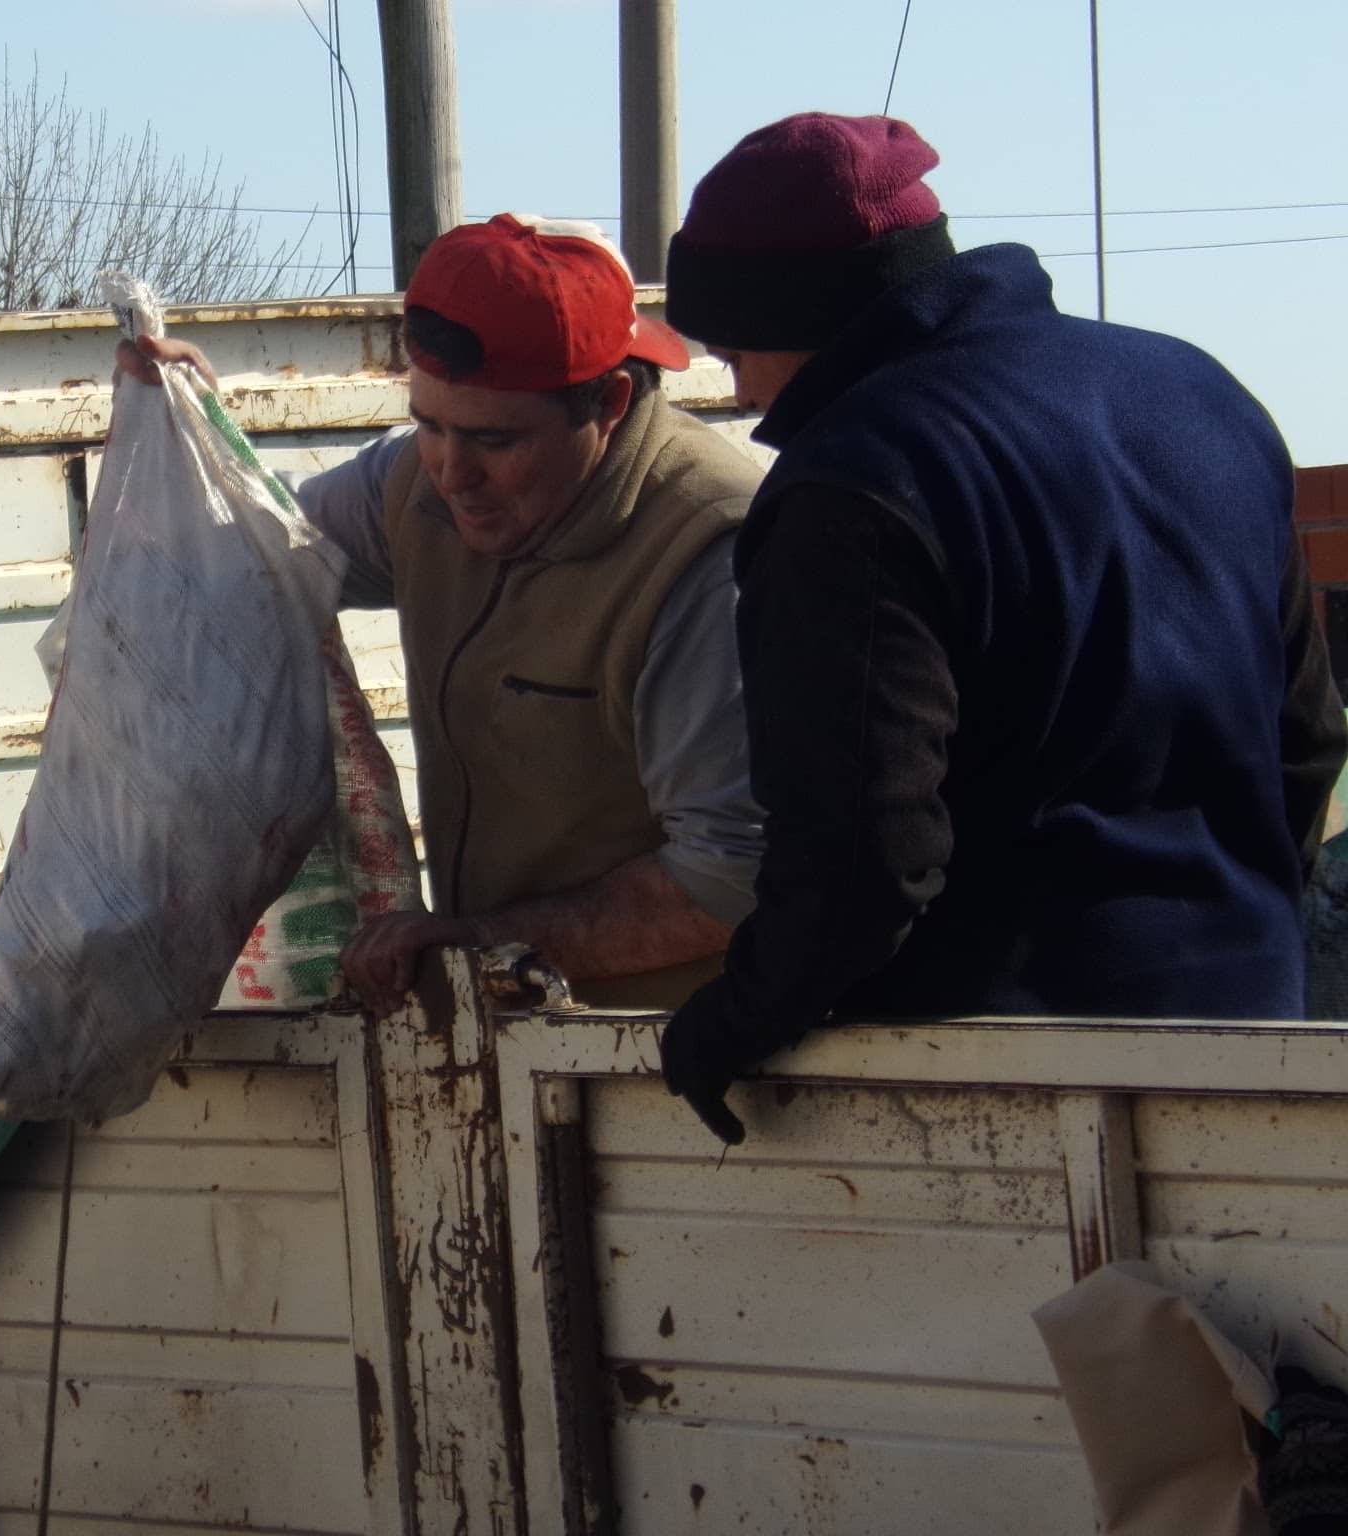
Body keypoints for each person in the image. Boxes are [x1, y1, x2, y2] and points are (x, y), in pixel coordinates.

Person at [655, 112, 1347, 1142]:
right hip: (1254, 1035)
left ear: (785, 315)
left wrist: (729, 1024)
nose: (738, 392)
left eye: (731, 350)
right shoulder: (1200, 393)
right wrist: (1241, 927)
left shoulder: (854, 477)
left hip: (998, 1083)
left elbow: (861, 850)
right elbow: (1306, 734)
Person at [119, 213, 767, 1010]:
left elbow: (727, 884)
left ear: (609, 404)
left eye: (496, 441)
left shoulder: (706, 561)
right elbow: (251, 560)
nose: (452, 474)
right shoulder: (413, 486)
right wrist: (194, 433)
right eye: (429, 425)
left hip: (668, 1057)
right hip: (504, 1029)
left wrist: (476, 943)